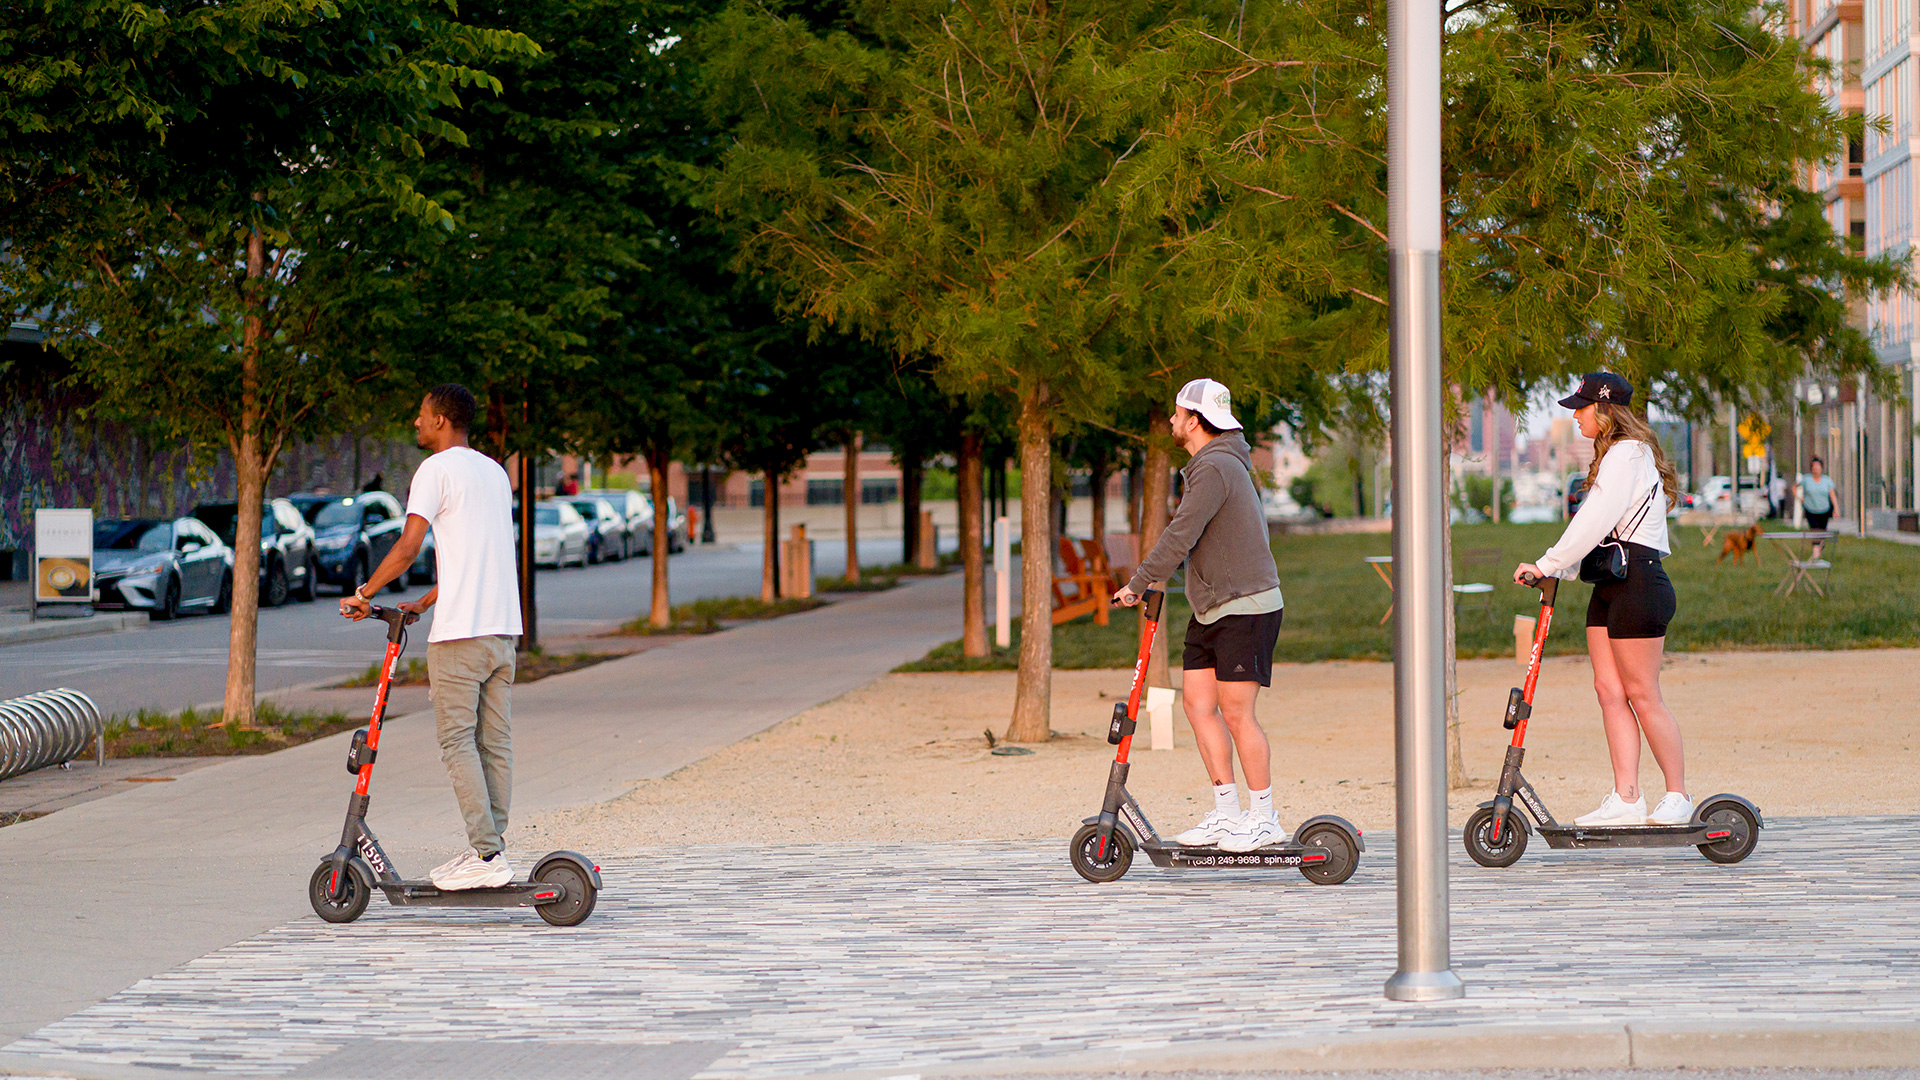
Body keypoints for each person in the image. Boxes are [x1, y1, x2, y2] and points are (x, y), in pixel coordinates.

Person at [341, 384, 523, 890]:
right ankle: (492, 853)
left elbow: (408, 546)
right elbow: (480, 554)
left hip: (461, 637)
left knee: (456, 741)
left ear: (442, 419)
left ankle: (486, 856)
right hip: (502, 632)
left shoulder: (435, 471)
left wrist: (364, 592)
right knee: (496, 743)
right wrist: (424, 600)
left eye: (421, 415)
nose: (416, 423)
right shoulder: (492, 472)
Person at [1113, 378, 1287, 852]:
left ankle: (1264, 816)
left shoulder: (1214, 468)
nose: (1170, 421)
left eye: (1175, 414)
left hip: (1245, 605)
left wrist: (1138, 582)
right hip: (1213, 605)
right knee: (1196, 704)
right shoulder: (1214, 464)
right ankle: (1228, 815)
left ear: (1194, 420)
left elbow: (1180, 534)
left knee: (1235, 712)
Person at [1514, 373, 1690, 827]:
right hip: (1610, 581)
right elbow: (1596, 530)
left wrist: (1548, 563)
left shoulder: (1629, 454)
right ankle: (1627, 797)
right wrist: (1560, 568)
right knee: (1609, 691)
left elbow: (1594, 518)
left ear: (1605, 410)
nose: (1575, 415)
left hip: (1639, 582)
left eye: (1581, 407)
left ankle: (1678, 795)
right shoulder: (1614, 456)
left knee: (1642, 693)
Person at [1797, 457, 1837, 556]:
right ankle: (1815, 551)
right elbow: (1795, 487)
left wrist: (1836, 508)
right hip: (1810, 509)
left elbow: (1832, 494)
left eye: (1818, 467)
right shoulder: (1806, 479)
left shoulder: (1826, 480)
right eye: (1814, 467)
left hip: (1824, 509)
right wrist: (1799, 498)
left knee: (1822, 531)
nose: (1816, 470)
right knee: (1814, 530)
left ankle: (1819, 548)